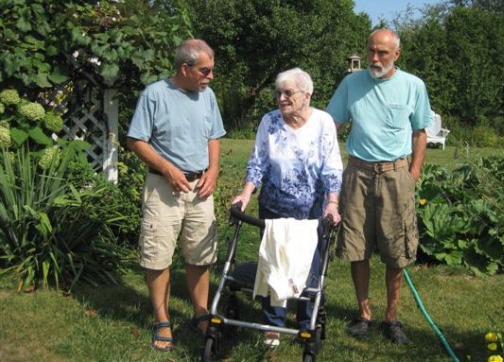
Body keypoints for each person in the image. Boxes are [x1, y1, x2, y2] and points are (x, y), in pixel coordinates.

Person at [326, 28, 432, 345]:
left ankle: (391, 318)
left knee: (395, 250)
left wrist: (413, 171)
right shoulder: (351, 84)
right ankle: (364, 315)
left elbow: (420, 133)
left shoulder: (413, 86)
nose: (374, 58)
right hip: (358, 173)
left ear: (396, 54)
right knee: (357, 246)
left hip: (396, 176)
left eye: (382, 53)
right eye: (371, 50)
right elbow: (331, 125)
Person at [231, 67, 342, 347]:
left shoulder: (323, 122)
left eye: (288, 93)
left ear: (307, 95)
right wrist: (245, 194)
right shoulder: (269, 122)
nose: (281, 98)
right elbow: (258, 163)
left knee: (310, 268)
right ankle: (273, 323)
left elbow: (331, 166)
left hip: (311, 212)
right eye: (279, 93)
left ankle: (307, 322)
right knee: (274, 264)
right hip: (273, 207)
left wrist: (332, 203)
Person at [127, 39, 226, 351]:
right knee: (157, 256)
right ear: (185, 68)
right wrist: (168, 168)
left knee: (201, 254)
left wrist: (212, 172)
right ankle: (163, 319)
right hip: (163, 188)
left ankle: (200, 312)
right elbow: (136, 140)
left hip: (200, 189)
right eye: (205, 70)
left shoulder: (207, 96)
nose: (210, 76)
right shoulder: (155, 95)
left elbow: (214, 136)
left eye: (211, 70)